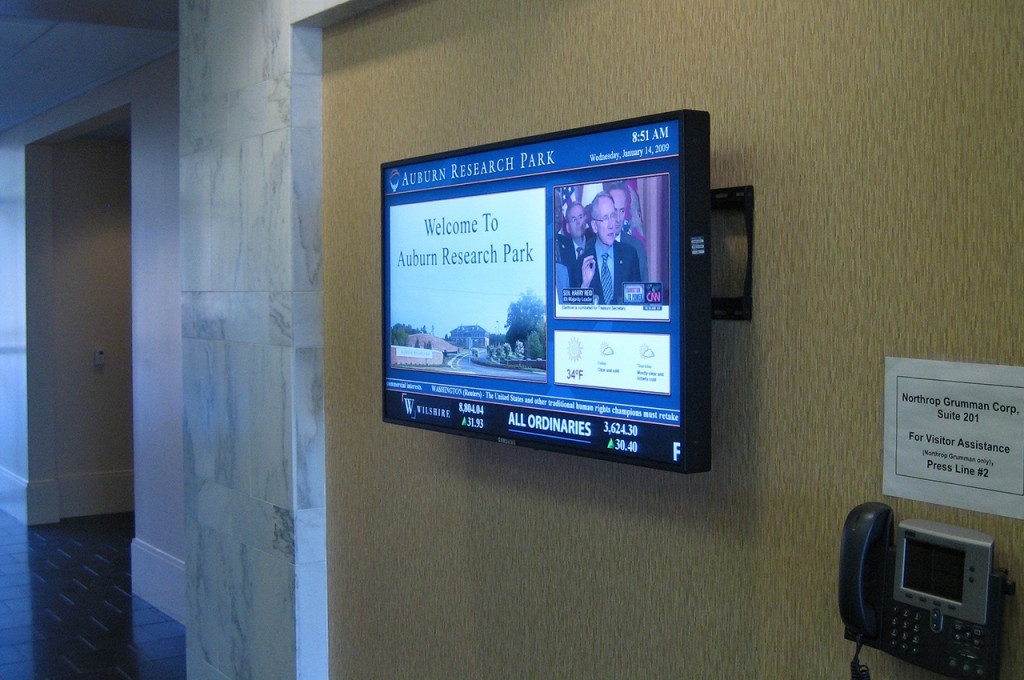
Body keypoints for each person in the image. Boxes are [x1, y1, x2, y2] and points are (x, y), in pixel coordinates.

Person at [575, 192, 641, 304]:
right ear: (595, 226)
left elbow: (639, 303)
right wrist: (584, 287)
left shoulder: (630, 255)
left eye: (613, 216)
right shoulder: (581, 264)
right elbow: (574, 315)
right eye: (605, 218)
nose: (611, 225)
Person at [606, 182, 648, 281]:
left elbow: (644, 287)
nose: (618, 218)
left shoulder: (637, 247)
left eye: (622, 211)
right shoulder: (590, 246)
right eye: (614, 210)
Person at [556, 201, 588, 270]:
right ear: (568, 227)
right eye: (574, 219)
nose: (578, 222)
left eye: (580, 217)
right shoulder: (562, 253)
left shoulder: (595, 245)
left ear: (585, 220)